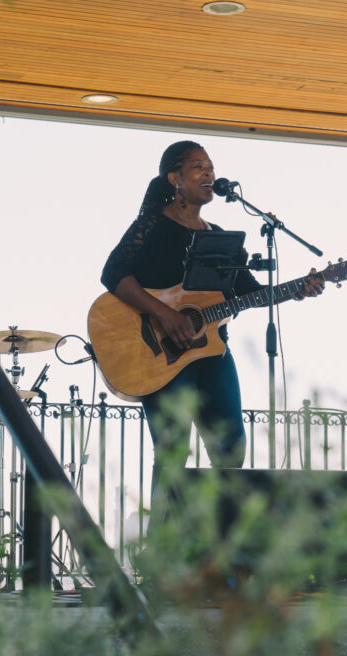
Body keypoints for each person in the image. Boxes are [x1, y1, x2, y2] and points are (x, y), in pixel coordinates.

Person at [100, 140, 324, 495]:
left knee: (231, 447)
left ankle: (219, 539)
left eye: (211, 167)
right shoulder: (151, 226)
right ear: (174, 178)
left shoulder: (220, 238)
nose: (210, 173)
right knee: (174, 452)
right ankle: (163, 545)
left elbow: (249, 292)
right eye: (198, 166)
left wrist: (296, 289)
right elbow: (112, 275)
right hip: (159, 353)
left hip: (211, 354)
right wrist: (165, 315)